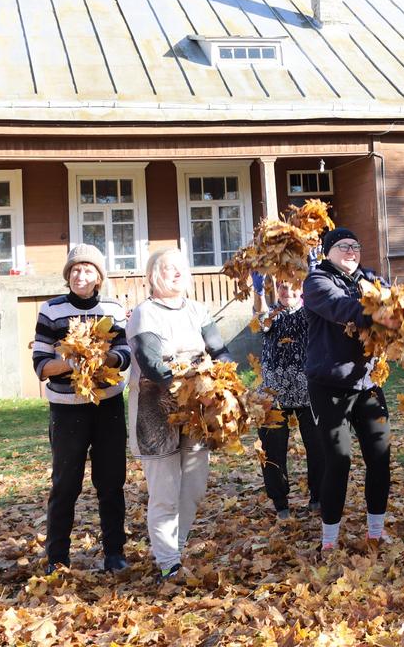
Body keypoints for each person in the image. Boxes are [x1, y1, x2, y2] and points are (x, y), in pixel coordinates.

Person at [126, 247, 233, 579]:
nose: (176, 273)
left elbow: (220, 350)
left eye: (180, 268)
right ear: (153, 275)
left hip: (198, 410)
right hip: (156, 411)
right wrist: (195, 373)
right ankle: (168, 562)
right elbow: (154, 365)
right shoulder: (145, 314)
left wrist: (226, 377)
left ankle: (176, 546)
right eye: (168, 268)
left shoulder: (198, 310)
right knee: (165, 491)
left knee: (194, 486)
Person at [32, 244, 131, 573]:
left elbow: (125, 353)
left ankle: (115, 552)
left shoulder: (113, 309)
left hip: (107, 405)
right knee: (65, 483)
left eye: (88, 270)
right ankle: (57, 556)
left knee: (111, 481)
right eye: (75, 270)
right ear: (67, 275)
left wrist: (107, 359)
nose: (80, 275)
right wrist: (67, 363)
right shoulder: (51, 310)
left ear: (99, 277)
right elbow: (40, 364)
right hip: (67, 409)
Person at [303, 227, 398, 550]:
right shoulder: (316, 281)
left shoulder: (370, 279)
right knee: (338, 460)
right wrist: (382, 314)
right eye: (343, 246)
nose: (351, 251)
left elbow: (395, 300)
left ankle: (375, 531)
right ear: (328, 251)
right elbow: (343, 308)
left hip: (368, 383)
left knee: (380, 455)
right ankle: (329, 540)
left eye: (355, 246)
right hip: (328, 386)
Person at [257, 279, 323, 520]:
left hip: (309, 392)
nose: (288, 292)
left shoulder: (311, 311)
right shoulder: (270, 313)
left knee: (318, 446)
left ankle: (318, 497)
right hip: (273, 394)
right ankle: (280, 503)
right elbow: (261, 322)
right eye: (282, 287)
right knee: (272, 451)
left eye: (293, 286)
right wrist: (258, 291)